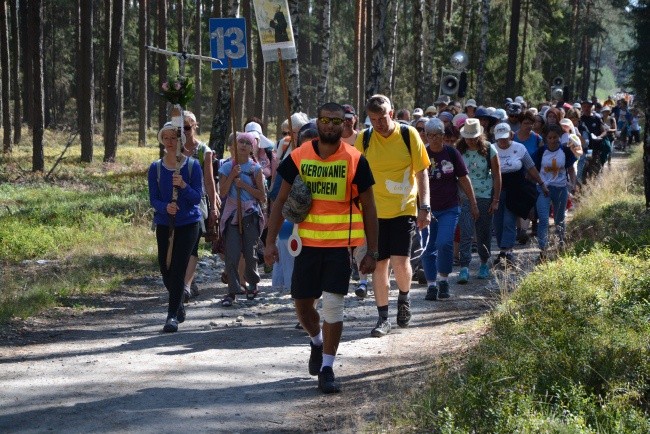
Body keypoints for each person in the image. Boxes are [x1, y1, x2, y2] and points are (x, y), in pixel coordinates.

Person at [264, 102, 378, 394]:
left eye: (336, 121)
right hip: (305, 245)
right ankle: (315, 340)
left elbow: (369, 207)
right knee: (302, 305)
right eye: (325, 120)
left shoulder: (355, 159)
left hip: (340, 246)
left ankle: (327, 367)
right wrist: (268, 243)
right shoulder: (299, 156)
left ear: (344, 125)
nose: (330, 125)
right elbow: (278, 201)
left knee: (333, 305)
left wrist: (372, 251)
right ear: (318, 122)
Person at [354, 94, 431, 337]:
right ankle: (382, 318)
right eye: (374, 119)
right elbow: (355, 174)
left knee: (400, 262)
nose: (379, 123)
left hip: (403, 209)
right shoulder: (364, 139)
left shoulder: (409, 135)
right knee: (378, 265)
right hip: (373, 213)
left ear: (392, 113)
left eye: (383, 117)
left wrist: (425, 207)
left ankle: (404, 300)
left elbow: (421, 173)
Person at [148, 122, 203, 332]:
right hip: (165, 223)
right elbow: (153, 199)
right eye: (167, 138)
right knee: (165, 267)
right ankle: (178, 303)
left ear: (180, 140)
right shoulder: (155, 168)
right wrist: (165, 207)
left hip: (189, 223)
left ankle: (171, 316)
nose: (170, 142)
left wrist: (183, 186)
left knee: (179, 268)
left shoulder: (191, 166)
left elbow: (197, 197)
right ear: (162, 140)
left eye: (174, 138)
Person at [420, 118, 478, 300]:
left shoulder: (451, 153)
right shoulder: (421, 154)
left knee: (444, 243)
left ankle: (443, 279)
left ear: (443, 136)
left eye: (437, 135)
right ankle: (431, 285)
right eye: (430, 135)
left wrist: (473, 202)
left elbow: (463, 179)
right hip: (427, 209)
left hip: (449, 208)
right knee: (428, 248)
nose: (434, 138)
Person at [218, 132, 267, 306]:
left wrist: (243, 185)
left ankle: (252, 284)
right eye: (241, 142)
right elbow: (222, 192)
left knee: (250, 252)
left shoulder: (255, 169)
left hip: (250, 215)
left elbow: (262, 196)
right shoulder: (226, 167)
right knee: (231, 254)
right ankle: (232, 290)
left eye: (248, 142)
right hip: (232, 214)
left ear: (252, 147)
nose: (244, 145)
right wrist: (232, 176)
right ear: (235, 146)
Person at [492, 123, 548, 268]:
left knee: (509, 221)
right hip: (497, 190)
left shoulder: (519, 148)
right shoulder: (491, 149)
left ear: (511, 135)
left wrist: (541, 183)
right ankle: (502, 249)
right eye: (500, 139)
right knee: (498, 223)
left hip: (515, 190)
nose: (502, 141)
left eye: (505, 138)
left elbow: (530, 167)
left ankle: (507, 251)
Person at [180, 111, 219, 301]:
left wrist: (213, 207)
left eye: (187, 127)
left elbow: (209, 181)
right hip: (176, 202)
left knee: (191, 244)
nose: (184, 132)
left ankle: (186, 285)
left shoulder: (204, 150)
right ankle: (188, 280)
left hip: (196, 201)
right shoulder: (173, 147)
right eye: (180, 128)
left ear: (195, 126)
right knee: (175, 245)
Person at [456, 118, 501, 282]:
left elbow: (497, 175)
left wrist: (496, 199)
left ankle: (484, 263)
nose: (470, 140)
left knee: (483, 232)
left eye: (473, 136)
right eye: (467, 137)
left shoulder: (489, 149)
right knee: (466, 232)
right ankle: (464, 267)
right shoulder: (459, 150)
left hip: (485, 195)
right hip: (464, 196)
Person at [532, 124, 577, 261]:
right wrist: (539, 182)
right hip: (543, 189)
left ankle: (560, 244)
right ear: (545, 138)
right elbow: (532, 169)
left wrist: (573, 184)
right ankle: (543, 250)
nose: (552, 140)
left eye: (555, 137)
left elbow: (570, 170)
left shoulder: (565, 151)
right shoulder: (540, 152)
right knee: (544, 219)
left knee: (559, 219)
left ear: (559, 137)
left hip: (560, 188)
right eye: (549, 137)